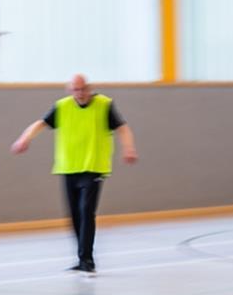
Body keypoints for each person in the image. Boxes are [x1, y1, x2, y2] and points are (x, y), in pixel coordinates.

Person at [10, 74, 137, 274]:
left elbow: (123, 128)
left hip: (93, 166)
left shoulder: (104, 105)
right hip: (69, 167)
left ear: (89, 88)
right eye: (75, 90)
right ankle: (82, 258)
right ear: (70, 90)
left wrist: (129, 148)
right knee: (75, 216)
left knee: (86, 211)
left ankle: (87, 260)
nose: (80, 94)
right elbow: (40, 123)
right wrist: (24, 139)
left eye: (83, 89)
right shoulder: (62, 107)